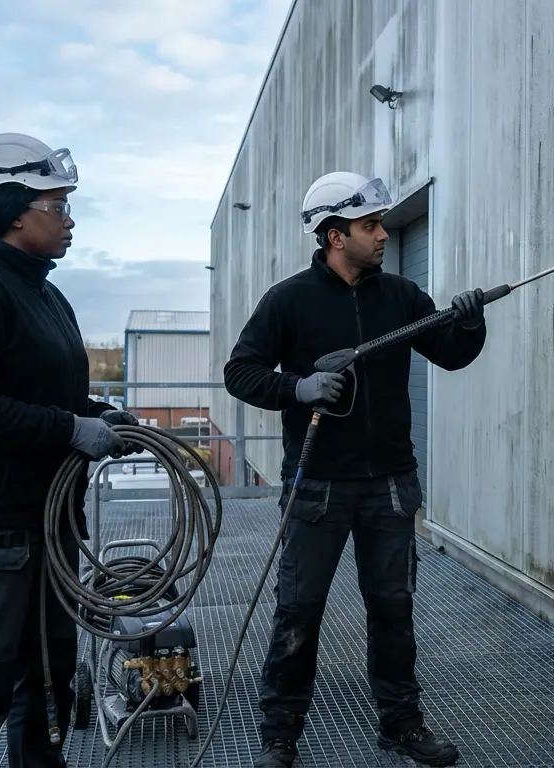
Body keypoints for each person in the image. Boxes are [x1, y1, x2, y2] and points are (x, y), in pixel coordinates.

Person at [224, 171, 488, 767]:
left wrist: (469, 320)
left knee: (393, 607)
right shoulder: (288, 301)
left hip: (390, 483)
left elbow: (450, 354)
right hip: (316, 485)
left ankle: (401, 725)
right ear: (334, 235)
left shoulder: (399, 296)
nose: (383, 235)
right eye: (371, 225)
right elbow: (240, 372)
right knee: (299, 608)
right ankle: (280, 732)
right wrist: (299, 387)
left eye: (381, 224)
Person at [0, 132, 138, 767]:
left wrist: (99, 414)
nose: (69, 220)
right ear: (15, 211)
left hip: (44, 524)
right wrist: (70, 430)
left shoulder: (43, 291)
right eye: (58, 206)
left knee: (47, 679)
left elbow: (51, 393)